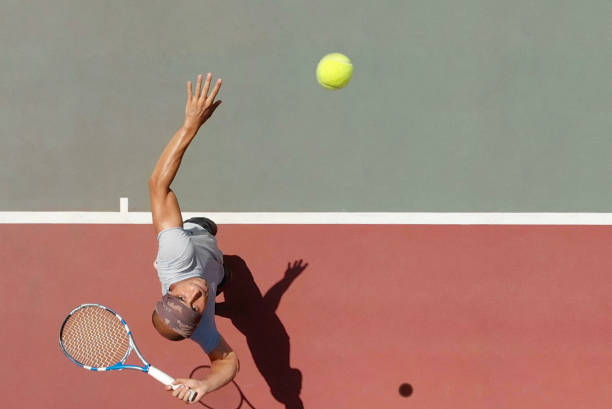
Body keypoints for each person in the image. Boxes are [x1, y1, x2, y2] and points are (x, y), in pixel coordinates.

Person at [149, 73, 239, 403]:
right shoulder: (201, 328)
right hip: (213, 269)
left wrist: (191, 125)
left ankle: (220, 267)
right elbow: (228, 361)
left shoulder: (176, 255)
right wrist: (206, 385)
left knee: (206, 226)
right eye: (197, 309)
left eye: (182, 297)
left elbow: (158, 185)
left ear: (171, 289)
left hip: (197, 238)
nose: (196, 297)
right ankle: (224, 279)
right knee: (221, 277)